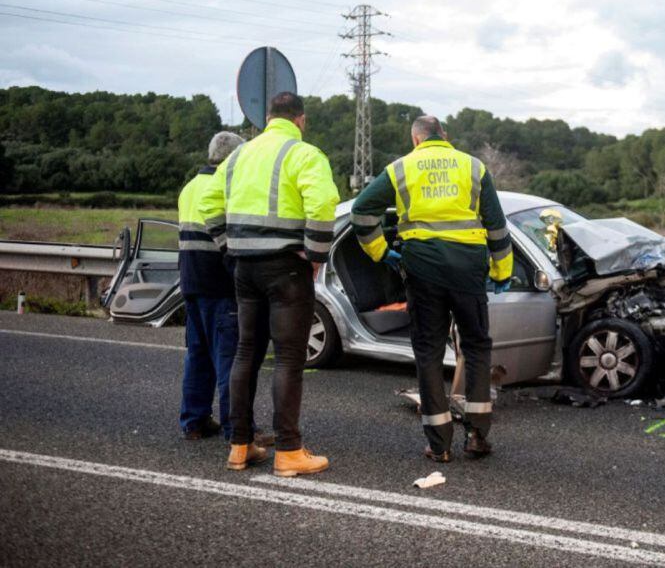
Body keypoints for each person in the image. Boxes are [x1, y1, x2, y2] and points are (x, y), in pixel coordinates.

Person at [351, 115, 513, 462]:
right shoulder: (473, 167)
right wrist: (502, 270)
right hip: (468, 271)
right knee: (476, 347)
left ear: (415, 140)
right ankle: (477, 436)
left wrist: (381, 252)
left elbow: (362, 211)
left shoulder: (401, 169)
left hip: (422, 270)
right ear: (446, 136)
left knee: (428, 353)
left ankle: (439, 445)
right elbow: (497, 227)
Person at [199, 92, 339, 476]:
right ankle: (289, 451)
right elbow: (323, 205)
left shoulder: (239, 155)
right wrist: (314, 256)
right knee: (290, 360)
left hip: (245, 268)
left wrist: (230, 247)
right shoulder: (304, 154)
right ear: (301, 120)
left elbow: (207, 204)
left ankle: (240, 446)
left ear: (267, 117)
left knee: (246, 354)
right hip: (286, 268)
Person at [177, 131, 245, 441]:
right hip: (220, 284)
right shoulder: (226, 187)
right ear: (232, 159)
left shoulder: (190, 187)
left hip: (191, 282)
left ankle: (194, 421)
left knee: (197, 356)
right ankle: (238, 430)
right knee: (228, 361)